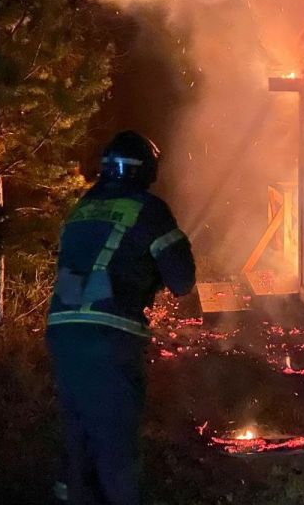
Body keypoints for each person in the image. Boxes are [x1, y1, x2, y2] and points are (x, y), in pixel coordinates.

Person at [46, 130, 195, 505]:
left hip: (63, 334)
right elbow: (182, 281)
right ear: (146, 170)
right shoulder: (148, 209)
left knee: (77, 434)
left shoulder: (82, 207)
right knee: (115, 442)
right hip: (108, 338)